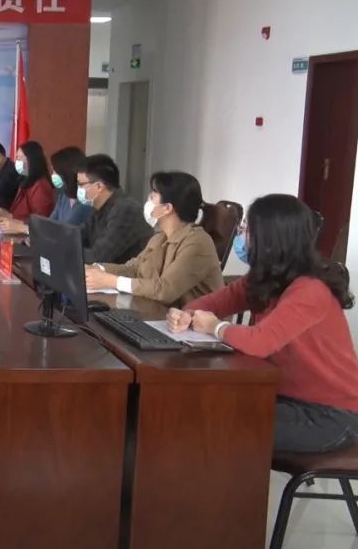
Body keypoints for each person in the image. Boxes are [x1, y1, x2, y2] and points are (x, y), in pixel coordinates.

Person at [169, 194, 358, 453]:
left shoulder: (310, 290)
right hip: (283, 395)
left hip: (330, 414)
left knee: (216, 423)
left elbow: (260, 342)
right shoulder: (264, 279)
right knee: (200, 406)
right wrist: (187, 313)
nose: (241, 235)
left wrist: (216, 327)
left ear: (271, 240)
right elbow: (216, 301)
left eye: (247, 229)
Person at [85, 172, 223, 307]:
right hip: (166, 314)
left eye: (152, 197)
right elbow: (135, 269)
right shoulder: (159, 238)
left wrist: (112, 281)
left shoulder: (198, 242)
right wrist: (97, 268)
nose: (148, 201)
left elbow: (165, 289)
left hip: (197, 320)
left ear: (167, 208)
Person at [0, 145, 89, 234]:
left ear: (67, 172)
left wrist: (23, 228)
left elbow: (63, 231)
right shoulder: (63, 195)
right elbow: (49, 223)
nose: (53, 175)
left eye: (55, 171)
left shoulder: (84, 200)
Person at [77, 154, 153, 264]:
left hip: (123, 272)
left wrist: (67, 250)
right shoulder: (98, 206)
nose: (78, 189)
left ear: (99, 186)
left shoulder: (125, 210)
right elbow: (78, 236)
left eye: (81, 184)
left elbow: (98, 257)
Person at [0, 140, 55, 225]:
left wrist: (10, 216)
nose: (16, 162)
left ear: (31, 160)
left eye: (19, 158)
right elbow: (18, 213)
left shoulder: (40, 185)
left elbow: (40, 221)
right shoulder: (25, 180)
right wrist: (1, 211)